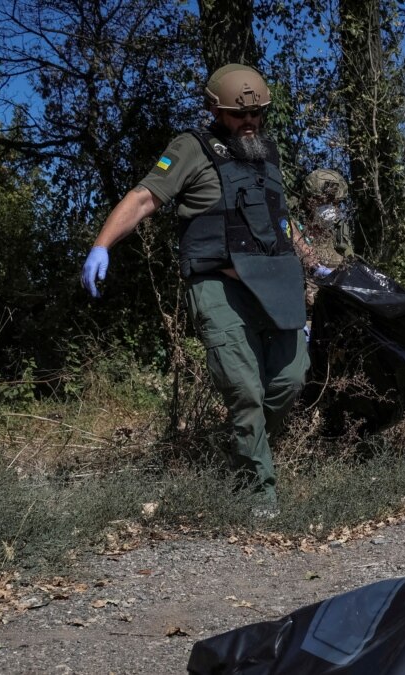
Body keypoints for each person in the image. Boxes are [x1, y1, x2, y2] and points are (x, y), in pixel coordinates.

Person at [80, 63, 326, 518]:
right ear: (214, 108)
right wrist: (102, 245)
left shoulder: (266, 153)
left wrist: (313, 259)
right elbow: (143, 198)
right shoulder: (190, 148)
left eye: (256, 116)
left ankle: (241, 453)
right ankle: (258, 496)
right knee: (244, 389)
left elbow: (280, 220)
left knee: (291, 379)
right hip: (218, 285)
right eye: (238, 115)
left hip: (274, 283)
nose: (249, 123)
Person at [295, 168, 353, 306]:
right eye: (324, 201)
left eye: (335, 202)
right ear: (309, 201)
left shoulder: (339, 236)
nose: (330, 208)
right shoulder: (294, 232)